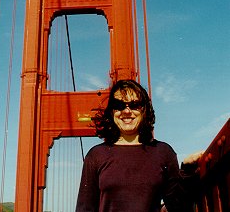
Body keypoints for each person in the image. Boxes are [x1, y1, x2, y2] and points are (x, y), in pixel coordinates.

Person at [76, 79, 202, 212]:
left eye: (134, 104)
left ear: (144, 109)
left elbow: (178, 207)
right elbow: (85, 208)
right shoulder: (96, 155)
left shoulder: (163, 152)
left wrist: (187, 172)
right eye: (119, 105)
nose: (126, 111)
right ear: (112, 111)